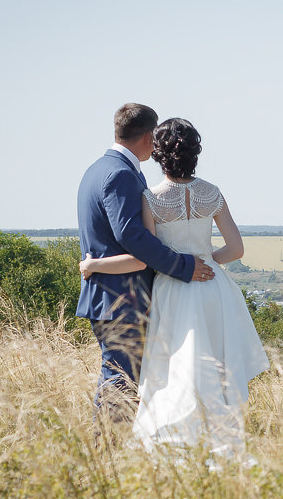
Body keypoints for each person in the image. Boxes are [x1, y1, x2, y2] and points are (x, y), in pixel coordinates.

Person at [80, 117, 270, 457]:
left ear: (159, 154)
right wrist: (206, 260)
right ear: (196, 152)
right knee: (217, 369)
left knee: (174, 373)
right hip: (214, 289)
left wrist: (94, 265)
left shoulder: (150, 198)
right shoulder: (212, 192)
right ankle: (221, 442)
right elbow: (237, 249)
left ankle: (178, 445)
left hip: (171, 290)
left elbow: (146, 256)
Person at [76, 104, 216, 421]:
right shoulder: (119, 175)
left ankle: (114, 453)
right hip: (121, 298)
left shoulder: (98, 169)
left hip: (109, 294)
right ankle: (109, 454)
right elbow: (132, 237)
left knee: (122, 379)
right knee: (120, 382)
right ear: (149, 136)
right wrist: (185, 266)